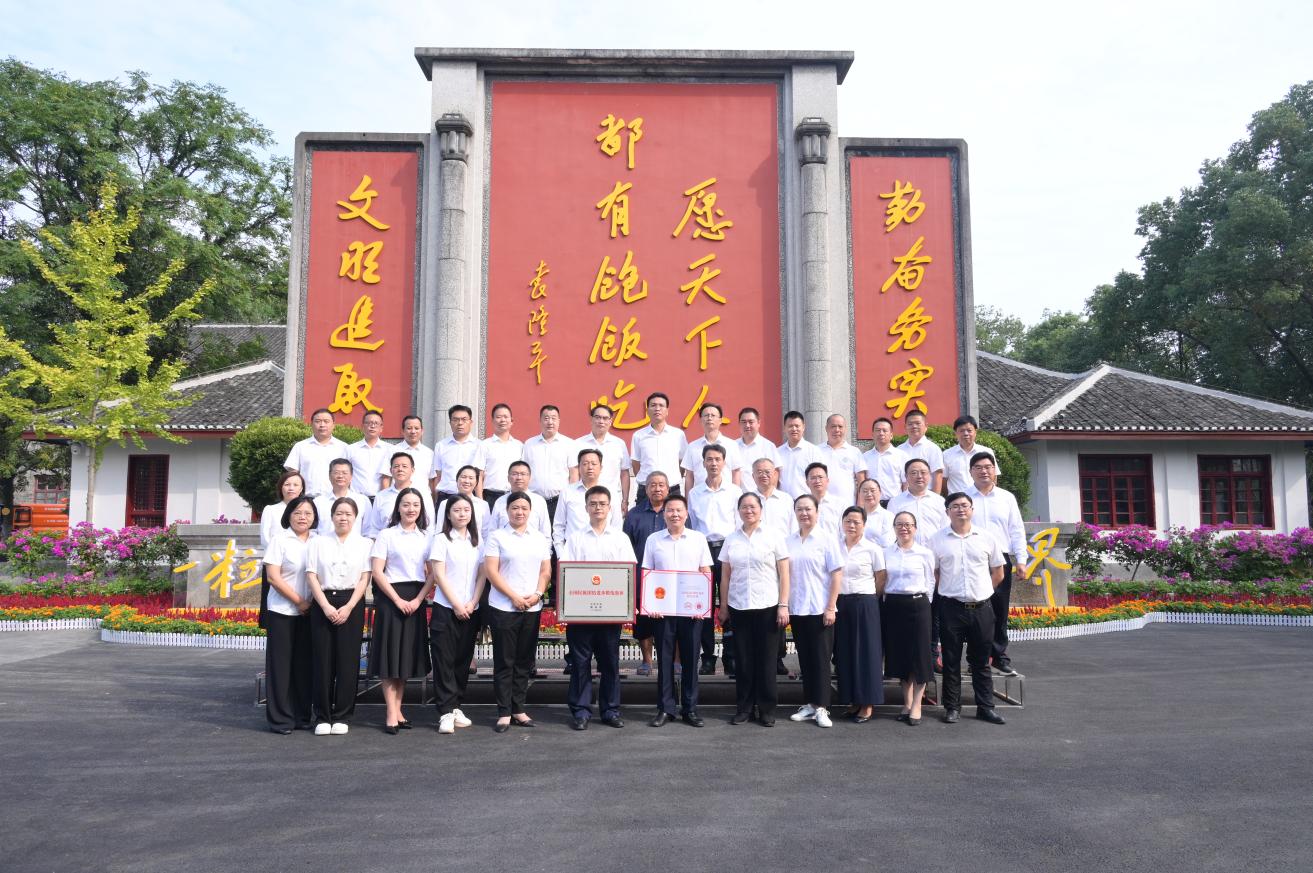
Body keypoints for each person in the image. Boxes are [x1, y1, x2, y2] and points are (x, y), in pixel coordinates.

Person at [560, 485, 637, 730]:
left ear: (610, 507)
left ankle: (610, 710)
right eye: (593, 504)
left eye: (602, 504)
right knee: (580, 664)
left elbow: (629, 573)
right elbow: (566, 572)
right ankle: (581, 711)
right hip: (580, 614)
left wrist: (629, 605)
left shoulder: (620, 538)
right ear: (586, 508)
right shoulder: (575, 538)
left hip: (610, 613)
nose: (598, 508)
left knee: (610, 663)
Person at [931, 492, 1007, 726]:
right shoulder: (937, 540)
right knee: (951, 660)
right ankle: (952, 707)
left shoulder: (987, 537)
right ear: (947, 512)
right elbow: (935, 572)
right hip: (951, 608)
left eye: (965, 505)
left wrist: (983, 591)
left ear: (972, 510)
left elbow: (998, 572)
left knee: (981, 661)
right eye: (955, 506)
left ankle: (985, 707)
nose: (960, 509)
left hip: (982, 608)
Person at [641, 493, 713, 727]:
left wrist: (703, 605)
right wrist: (650, 605)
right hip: (662, 611)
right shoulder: (653, 540)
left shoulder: (698, 539)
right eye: (670, 510)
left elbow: (705, 572)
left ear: (686, 514)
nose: (674, 514)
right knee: (664, 660)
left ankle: (690, 709)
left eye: (678, 510)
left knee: (691, 660)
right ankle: (666, 708)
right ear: (664, 514)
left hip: (691, 612)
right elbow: (647, 573)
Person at [483, 492, 552, 732]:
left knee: (524, 661)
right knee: (505, 661)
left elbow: (545, 571)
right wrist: (513, 597)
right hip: (504, 606)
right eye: (515, 507)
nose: (519, 512)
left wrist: (537, 594)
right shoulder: (497, 536)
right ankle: (504, 712)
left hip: (532, 606)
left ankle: (518, 709)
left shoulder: (539, 538)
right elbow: (491, 571)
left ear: (530, 511)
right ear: (507, 510)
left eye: (524, 508)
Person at [718, 492, 789, 726]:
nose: (748, 511)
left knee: (767, 661)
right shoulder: (731, 539)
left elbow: (784, 574)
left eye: (753, 507)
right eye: (744, 507)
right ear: (738, 511)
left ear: (760, 509)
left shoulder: (774, 536)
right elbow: (725, 576)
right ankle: (744, 708)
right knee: (744, 660)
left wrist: (783, 605)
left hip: (768, 605)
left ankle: (767, 709)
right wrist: (724, 606)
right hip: (739, 606)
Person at [368, 488, 433, 734]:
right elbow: (377, 571)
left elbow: (432, 574)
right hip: (390, 598)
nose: (411, 509)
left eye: (415, 504)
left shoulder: (426, 537)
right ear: (398, 507)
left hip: (415, 598)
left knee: (405, 656)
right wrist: (397, 600)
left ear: (421, 508)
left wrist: (418, 599)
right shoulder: (386, 535)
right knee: (390, 656)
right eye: (406, 504)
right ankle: (390, 713)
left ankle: (399, 710)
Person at [305, 496, 371, 735]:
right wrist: (324, 606)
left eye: (348, 514)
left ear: (355, 518)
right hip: (323, 602)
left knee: (348, 660)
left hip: (351, 602)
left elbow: (364, 578)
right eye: (339, 513)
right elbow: (311, 575)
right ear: (331, 516)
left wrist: (349, 606)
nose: (343, 518)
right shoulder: (318, 542)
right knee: (322, 660)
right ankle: (322, 715)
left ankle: (343, 715)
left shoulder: (365, 544)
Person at [427, 493, 486, 735]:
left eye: (466, 510)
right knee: (444, 661)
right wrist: (457, 604)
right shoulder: (441, 540)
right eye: (457, 510)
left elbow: (482, 575)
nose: (462, 514)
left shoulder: (478, 541)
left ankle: (456, 706)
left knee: (463, 660)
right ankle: (445, 711)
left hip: (471, 609)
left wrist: (473, 602)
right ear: (448, 515)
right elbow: (439, 575)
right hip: (446, 608)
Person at [967, 452, 1028, 677]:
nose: (983, 471)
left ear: (995, 470)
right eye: (978, 467)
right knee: (974, 611)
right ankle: (976, 659)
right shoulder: (964, 497)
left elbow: (1016, 529)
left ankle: (999, 657)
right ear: (971, 472)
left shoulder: (1006, 498)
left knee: (999, 610)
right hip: (972, 559)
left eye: (988, 467)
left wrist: (1021, 560)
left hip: (1000, 560)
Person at [261, 495, 318, 734]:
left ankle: (302, 716)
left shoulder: (319, 541)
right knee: (281, 667)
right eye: (297, 513)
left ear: (314, 517)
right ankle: (280, 719)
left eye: (307, 513)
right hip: (283, 611)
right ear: (289, 516)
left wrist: (312, 603)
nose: (302, 517)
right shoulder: (280, 540)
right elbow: (273, 577)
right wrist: (299, 602)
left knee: (305, 666)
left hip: (311, 611)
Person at [786, 494, 843, 728]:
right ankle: (809, 704)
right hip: (798, 608)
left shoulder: (827, 539)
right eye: (799, 509)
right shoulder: (789, 541)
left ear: (817, 512)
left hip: (820, 608)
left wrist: (830, 607)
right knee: (806, 659)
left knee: (820, 660)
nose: (804, 513)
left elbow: (836, 574)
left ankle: (822, 707)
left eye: (808, 509)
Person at [687, 443, 742, 675]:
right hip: (703, 552)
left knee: (730, 603)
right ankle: (707, 657)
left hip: (728, 550)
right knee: (704, 606)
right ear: (703, 463)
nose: (713, 463)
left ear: (724, 462)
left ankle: (730, 656)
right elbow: (692, 524)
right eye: (709, 459)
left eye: (717, 459)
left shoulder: (735, 492)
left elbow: (739, 524)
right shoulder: (694, 493)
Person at [883, 511, 936, 725]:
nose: (904, 528)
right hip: (894, 606)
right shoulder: (886, 552)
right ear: (894, 527)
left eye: (908, 524)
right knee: (901, 656)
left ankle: (917, 705)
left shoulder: (924, 553)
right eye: (899, 524)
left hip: (918, 605)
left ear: (915, 528)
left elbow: (930, 581)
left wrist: (924, 603)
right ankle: (906, 703)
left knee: (919, 656)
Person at [835, 506, 885, 722]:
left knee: (867, 653)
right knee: (845, 653)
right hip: (841, 602)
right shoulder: (835, 546)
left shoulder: (873, 549)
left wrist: (870, 598)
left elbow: (881, 577)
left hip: (865, 602)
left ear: (864, 525)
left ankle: (867, 703)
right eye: (848, 521)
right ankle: (853, 700)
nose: (852, 525)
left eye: (856, 522)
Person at [623, 472, 670, 676]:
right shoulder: (634, 514)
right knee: (644, 621)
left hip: (670, 576)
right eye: (652, 485)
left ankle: (675, 661)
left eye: (661, 485)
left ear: (668, 488)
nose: (657, 488)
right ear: (646, 488)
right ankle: (646, 661)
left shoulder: (675, 511)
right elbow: (627, 545)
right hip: (642, 576)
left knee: (672, 620)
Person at [260, 470, 306, 629]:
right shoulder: (271, 509)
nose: (291, 488)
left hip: (300, 565)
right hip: (276, 565)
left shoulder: (306, 511)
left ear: (302, 488)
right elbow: (265, 539)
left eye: (295, 484)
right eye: (287, 484)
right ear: (281, 487)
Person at [573, 403, 631, 519]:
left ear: (610, 421)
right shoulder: (578, 444)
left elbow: (624, 473)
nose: (601, 421)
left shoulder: (619, 444)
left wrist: (625, 500)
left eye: (605, 418)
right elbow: (574, 472)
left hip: (611, 499)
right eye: (597, 417)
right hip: (584, 498)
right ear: (591, 419)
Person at [521, 404, 578, 522]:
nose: (550, 422)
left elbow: (574, 474)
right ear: (540, 420)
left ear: (559, 421)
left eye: (553, 418)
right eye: (546, 418)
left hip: (559, 501)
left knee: (558, 531)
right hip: (534, 500)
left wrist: (571, 497)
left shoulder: (569, 444)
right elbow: (523, 471)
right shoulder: (529, 444)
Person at [553, 448, 616, 551]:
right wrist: (561, 553)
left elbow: (616, 524)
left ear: (601, 467)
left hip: (604, 549)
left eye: (594, 464)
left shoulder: (611, 491)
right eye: (585, 464)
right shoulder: (567, 491)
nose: (590, 467)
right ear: (578, 467)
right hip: (574, 550)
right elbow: (559, 525)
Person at [631, 392, 688, 502]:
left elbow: (682, 462)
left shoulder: (678, 435)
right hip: (646, 490)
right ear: (647, 410)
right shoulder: (638, 435)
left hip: (672, 489)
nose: (657, 409)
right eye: (653, 405)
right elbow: (636, 463)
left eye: (661, 405)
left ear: (667, 411)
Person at [365, 452, 435, 539]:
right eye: (396, 466)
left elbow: (430, 526)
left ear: (412, 470)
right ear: (390, 471)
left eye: (404, 466)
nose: (400, 469)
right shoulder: (381, 496)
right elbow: (374, 529)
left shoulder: (424, 494)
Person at [283, 408, 348, 497]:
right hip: (307, 498)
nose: (322, 425)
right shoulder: (300, 446)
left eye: (326, 421)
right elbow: (293, 474)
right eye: (318, 421)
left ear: (333, 425)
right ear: (311, 424)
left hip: (335, 498)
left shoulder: (344, 447)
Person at [682, 402, 744, 493]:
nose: (709, 418)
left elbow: (736, 473)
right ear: (701, 420)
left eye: (713, 415)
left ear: (720, 420)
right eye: (706, 415)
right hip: (700, 495)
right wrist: (688, 499)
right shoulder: (692, 447)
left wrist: (736, 496)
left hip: (726, 495)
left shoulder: (731, 445)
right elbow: (689, 476)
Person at [431, 404, 485, 503]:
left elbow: (479, 476)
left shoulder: (479, 445)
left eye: (464, 419)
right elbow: (438, 476)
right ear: (450, 423)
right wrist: (435, 501)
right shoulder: (441, 445)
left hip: (469, 497)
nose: (460, 423)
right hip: (445, 496)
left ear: (471, 422)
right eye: (455, 420)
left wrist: (480, 501)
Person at [887, 459, 949, 543]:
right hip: (906, 549)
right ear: (906, 476)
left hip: (934, 549)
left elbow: (946, 528)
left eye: (923, 472)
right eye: (914, 473)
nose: (919, 476)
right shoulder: (895, 502)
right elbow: (891, 532)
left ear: (929, 475)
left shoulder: (940, 501)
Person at [487, 461, 552, 538]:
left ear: (530, 478)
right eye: (514, 474)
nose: (519, 478)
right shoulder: (500, 501)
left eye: (523, 474)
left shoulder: (539, 501)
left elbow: (546, 534)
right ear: (508, 478)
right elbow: (492, 531)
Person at [481, 402, 523, 510]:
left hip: (514, 495)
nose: (502, 420)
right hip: (490, 496)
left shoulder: (519, 446)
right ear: (492, 421)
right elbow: (479, 475)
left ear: (511, 421)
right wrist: (481, 501)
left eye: (505, 417)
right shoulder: (484, 445)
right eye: (498, 417)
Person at [941, 414, 997, 496]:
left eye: (969, 430)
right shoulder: (946, 454)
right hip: (957, 501)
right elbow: (943, 480)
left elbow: (993, 477)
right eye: (962, 431)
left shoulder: (987, 451)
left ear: (975, 432)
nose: (966, 434)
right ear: (955, 433)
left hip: (981, 498)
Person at [818, 414, 866, 507]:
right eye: (833, 426)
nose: (837, 430)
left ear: (845, 429)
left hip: (848, 505)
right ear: (826, 428)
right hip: (822, 505)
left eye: (840, 426)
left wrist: (860, 506)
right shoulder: (817, 450)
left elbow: (861, 481)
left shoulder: (854, 452)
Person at [312, 458, 367, 536]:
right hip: (324, 543)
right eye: (336, 473)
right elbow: (312, 531)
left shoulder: (363, 501)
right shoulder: (318, 502)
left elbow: (368, 531)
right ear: (329, 476)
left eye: (345, 473)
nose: (340, 476)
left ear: (351, 476)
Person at [344, 409, 391, 499]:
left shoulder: (389, 449)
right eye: (368, 423)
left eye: (376, 423)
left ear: (381, 427)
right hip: (356, 499)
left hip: (380, 498)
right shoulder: (351, 449)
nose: (372, 426)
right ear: (362, 426)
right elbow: (345, 474)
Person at [436, 464, 490, 540]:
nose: (467, 481)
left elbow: (486, 533)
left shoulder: (483, 505)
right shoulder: (445, 504)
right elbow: (439, 530)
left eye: (471, 478)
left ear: (476, 482)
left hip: (476, 545)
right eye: (463, 477)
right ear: (457, 480)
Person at [861, 417, 907, 504]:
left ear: (891, 435)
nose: (881, 433)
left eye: (885, 430)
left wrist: (904, 503)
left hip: (895, 503)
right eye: (878, 430)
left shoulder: (901, 456)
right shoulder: (865, 457)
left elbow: (906, 483)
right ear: (872, 435)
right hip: (871, 503)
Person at [777, 410, 821, 498]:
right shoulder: (778, 452)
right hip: (783, 502)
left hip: (807, 501)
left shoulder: (813, 451)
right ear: (784, 428)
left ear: (803, 427)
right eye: (790, 426)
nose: (794, 429)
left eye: (797, 426)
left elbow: (819, 478)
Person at [900, 410, 944, 493]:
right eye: (910, 424)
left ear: (925, 426)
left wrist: (936, 498)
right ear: (905, 427)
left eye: (918, 423)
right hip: (904, 496)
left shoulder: (933, 448)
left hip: (926, 495)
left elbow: (938, 475)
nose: (914, 426)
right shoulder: (899, 449)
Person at [386, 415, 434, 492]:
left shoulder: (429, 453)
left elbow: (432, 481)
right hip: (397, 496)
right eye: (409, 428)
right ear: (402, 431)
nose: (413, 431)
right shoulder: (392, 451)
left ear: (422, 431)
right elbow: (386, 478)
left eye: (416, 428)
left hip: (423, 497)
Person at [803, 461, 845, 538]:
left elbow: (844, 533)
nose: (817, 481)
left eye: (820, 477)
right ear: (807, 483)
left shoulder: (840, 505)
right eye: (813, 478)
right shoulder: (802, 505)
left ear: (827, 480)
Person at [735, 406, 781, 471]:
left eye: (751, 422)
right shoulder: (733, 446)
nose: (747, 425)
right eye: (744, 422)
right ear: (739, 423)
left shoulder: (768, 446)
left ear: (758, 423)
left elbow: (776, 471)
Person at [856, 478, 895, 548]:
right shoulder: (854, 515)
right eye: (865, 491)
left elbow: (887, 543)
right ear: (859, 494)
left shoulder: (888, 516)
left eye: (872, 490)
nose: (869, 494)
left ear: (880, 493)